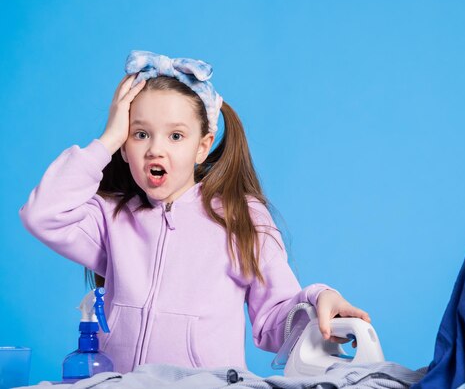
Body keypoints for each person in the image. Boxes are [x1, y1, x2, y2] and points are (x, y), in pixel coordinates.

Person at [19, 50, 370, 374]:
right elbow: (42, 214)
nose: (155, 149)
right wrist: (108, 140)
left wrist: (318, 302)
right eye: (140, 134)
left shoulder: (239, 218)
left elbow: (276, 320)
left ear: (203, 146)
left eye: (176, 136)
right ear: (125, 147)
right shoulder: (111, 217)